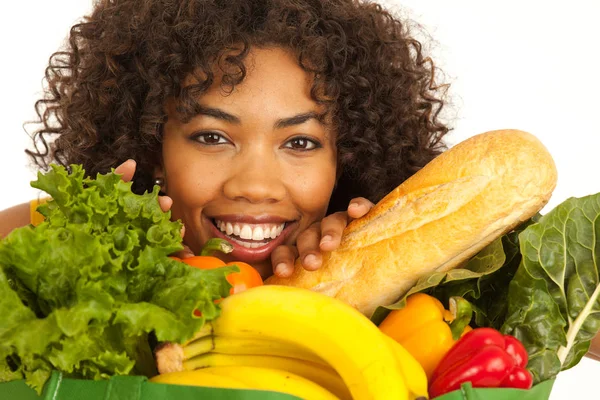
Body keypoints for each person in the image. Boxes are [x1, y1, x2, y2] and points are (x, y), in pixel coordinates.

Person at [2, 0, 599, 360]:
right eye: (212, 136)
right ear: (151, 145)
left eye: (300, 142)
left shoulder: (420, 309)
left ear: (348, 159)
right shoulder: (82, 289)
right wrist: (66, 228)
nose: (257, 184)